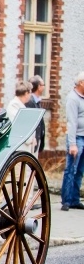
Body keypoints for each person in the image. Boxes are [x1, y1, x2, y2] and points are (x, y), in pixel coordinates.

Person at [60, 71, 84, 211]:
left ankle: (75, 199)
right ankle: (66, 200)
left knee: (80, 170)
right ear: (81, 83)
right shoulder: (73, 98)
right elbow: (72, 122)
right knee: (71, 170)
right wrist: (73, 143)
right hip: (76, 139)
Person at [6, 81, 37, 153]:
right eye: (30, 92)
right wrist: (30, 139)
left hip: (23, 147)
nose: (30, 95)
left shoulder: (20, 105)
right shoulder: (14, 105)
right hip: (18, 147)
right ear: (26, 93)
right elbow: (18, 126)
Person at [25, 75, 46, 153]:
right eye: (43, 85)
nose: (44, 87)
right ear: (39, 86)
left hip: (36, 140)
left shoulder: (36, 101)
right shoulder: (30, 101)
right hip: (32, 141)